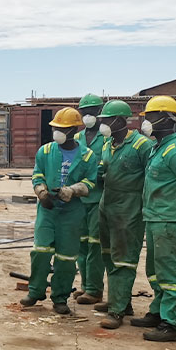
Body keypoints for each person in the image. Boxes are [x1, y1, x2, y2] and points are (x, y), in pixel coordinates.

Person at [130, 96, 176, 342]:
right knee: (156, 271)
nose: (146, 123)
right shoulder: (158, 148)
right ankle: (159, 312)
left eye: (150, 118)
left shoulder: (175, 152)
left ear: (167, 119)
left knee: (173, 274)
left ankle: (173, 324)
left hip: (170, 221)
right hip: (156, 218)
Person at [20, 107, 99, 315]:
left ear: (73, 130)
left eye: (61, 128)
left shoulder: (88, 156)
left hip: (71, 214)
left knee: (66, 258)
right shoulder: (45, 151)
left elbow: (90, 183)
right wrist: (42, 193)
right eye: (55, 128)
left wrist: (72, 190)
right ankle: (35, 291)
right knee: (40, 252)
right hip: (48, 211)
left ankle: (60, 297)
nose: (57, 132)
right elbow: (37, 175)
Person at [93, 100, 153, 329]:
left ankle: (117, 311)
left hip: (129, 210)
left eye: (107, 120)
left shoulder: (141, 146)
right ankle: (121, 301)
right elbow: (102, 169)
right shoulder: (108, 143)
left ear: (120, 120)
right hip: (107, 206)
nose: (103, 124)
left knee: (124, 260)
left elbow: (152, 177)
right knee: (108, 255)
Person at [72, 93, 107, 306]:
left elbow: (109, 165)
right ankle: (86, 285)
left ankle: (95, 289)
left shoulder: (108, 138)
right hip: (80, 198)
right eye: (85, 112)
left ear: (100, 113)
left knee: (95, 245)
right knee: (81, 245)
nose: (88, 116)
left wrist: (96, 170)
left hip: (99, 198)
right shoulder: (77, 138)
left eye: (92, 112)